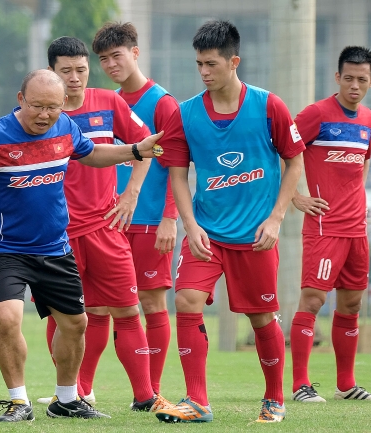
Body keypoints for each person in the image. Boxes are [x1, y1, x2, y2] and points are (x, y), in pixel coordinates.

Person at [0, 69, 163, 422]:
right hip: (5, 249)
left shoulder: (66, 127)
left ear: (63, 104)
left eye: (52, 107)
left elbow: (90, 153)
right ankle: (18, 402)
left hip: (55, 247)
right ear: (20, 100)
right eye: (37, 106)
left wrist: (133, 150)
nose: (44, 115)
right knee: (8, 319)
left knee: (76, 324)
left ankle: (67, 400)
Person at [152, 20, 305, 423]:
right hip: (207, 232)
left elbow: (294, 162)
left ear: (234, 62)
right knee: (186, 299)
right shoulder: (184, 114)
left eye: (212, 64)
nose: (203, 72)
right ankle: (197, 401)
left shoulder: (269, 106)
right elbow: (178, 172)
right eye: (199, 64)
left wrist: (276, 218)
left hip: (256, 236)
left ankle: (275, 399)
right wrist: (189, 223)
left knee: (260, 317)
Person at [37, 36, 173, 412]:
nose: (76, 78)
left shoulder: (109, 102)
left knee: (129, 310)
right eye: (66, 71)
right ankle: (70, 392)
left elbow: (148, 145)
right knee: (65, 315)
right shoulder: (42, 114)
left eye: (81, 70)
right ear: (52, 73)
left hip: (105, 229)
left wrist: (131, 193)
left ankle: (146, 396)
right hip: (57, 235)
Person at [289, 46, 371, 403]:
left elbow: (360, 167)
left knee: (352, 305)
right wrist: (297, 196)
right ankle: (300, 385)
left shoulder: (368, 120)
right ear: (337, 78)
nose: (354, 85)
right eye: (348, 78)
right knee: (312, 300)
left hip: (357, 229)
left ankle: (346, 385)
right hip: (324, 227)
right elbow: (279, 149)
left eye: (362, 79)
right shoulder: (315, 114)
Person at [92, 21, 180, 398]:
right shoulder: (109, 103)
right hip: (108, 221)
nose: (111, 64)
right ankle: (81, 390)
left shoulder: (163, 102)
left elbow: (179, 164)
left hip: (148, 220)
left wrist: (170, 218)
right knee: (97, 305)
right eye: (104, 59)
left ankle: (151, 390)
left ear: (135, 53)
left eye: (117, 55)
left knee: (149, 301)